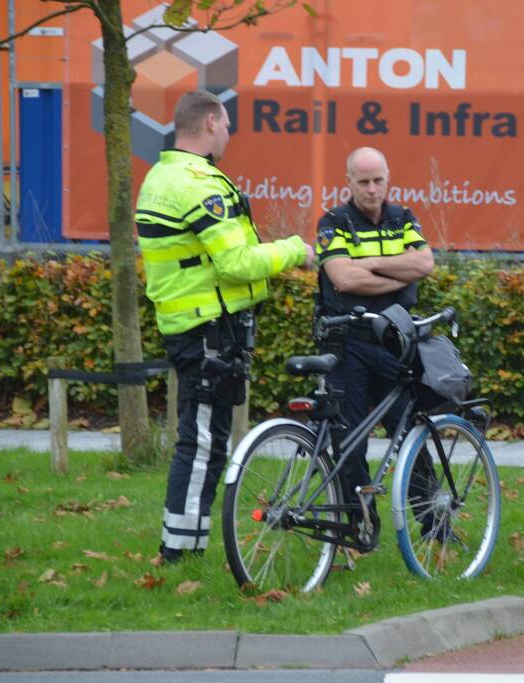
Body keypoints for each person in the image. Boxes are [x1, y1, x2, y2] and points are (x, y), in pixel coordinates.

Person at [135, 90, 314, 564]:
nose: (230, 134)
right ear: (211, 122)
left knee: (206, 440)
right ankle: (178, 552)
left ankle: (187, 544)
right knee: (201, 444)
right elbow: (236, 263)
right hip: (207, 331)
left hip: (188, 324)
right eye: (228, 124)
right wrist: (295, 249)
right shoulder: (199, 184)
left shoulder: (161, 176)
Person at [315, 147, 434, 541]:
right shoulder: (333, 221)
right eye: (363, 181)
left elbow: (424, 263)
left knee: (410, 431)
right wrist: (398, 277)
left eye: (377, 180)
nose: (371, 189)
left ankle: (435, 523)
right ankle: (358, 525)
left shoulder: (403, 218)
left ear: (388, 179)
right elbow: (343, 279)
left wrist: (366, 264)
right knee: (349, 440)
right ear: (348, 182)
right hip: (346, 343)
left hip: (392, 341)